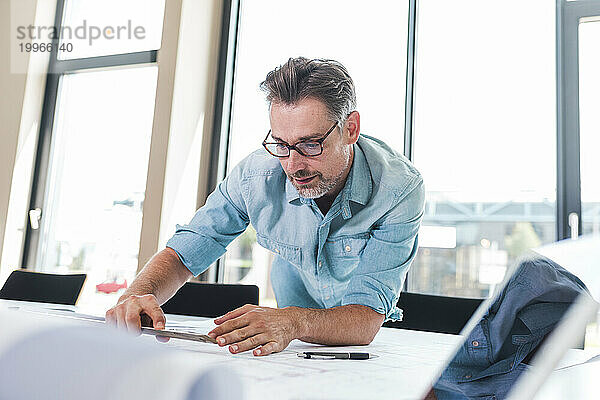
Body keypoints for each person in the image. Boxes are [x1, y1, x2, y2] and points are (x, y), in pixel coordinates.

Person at [106, 57, 425, 356]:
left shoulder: (399, 190)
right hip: (292, 347)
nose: (294, 165)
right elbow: (187, 250)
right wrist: (138, 293)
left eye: (310, 145)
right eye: (282, 145)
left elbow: (366, 318)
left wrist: (292, 321)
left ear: (351, 129)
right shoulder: (255, 176)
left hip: (354, 340)